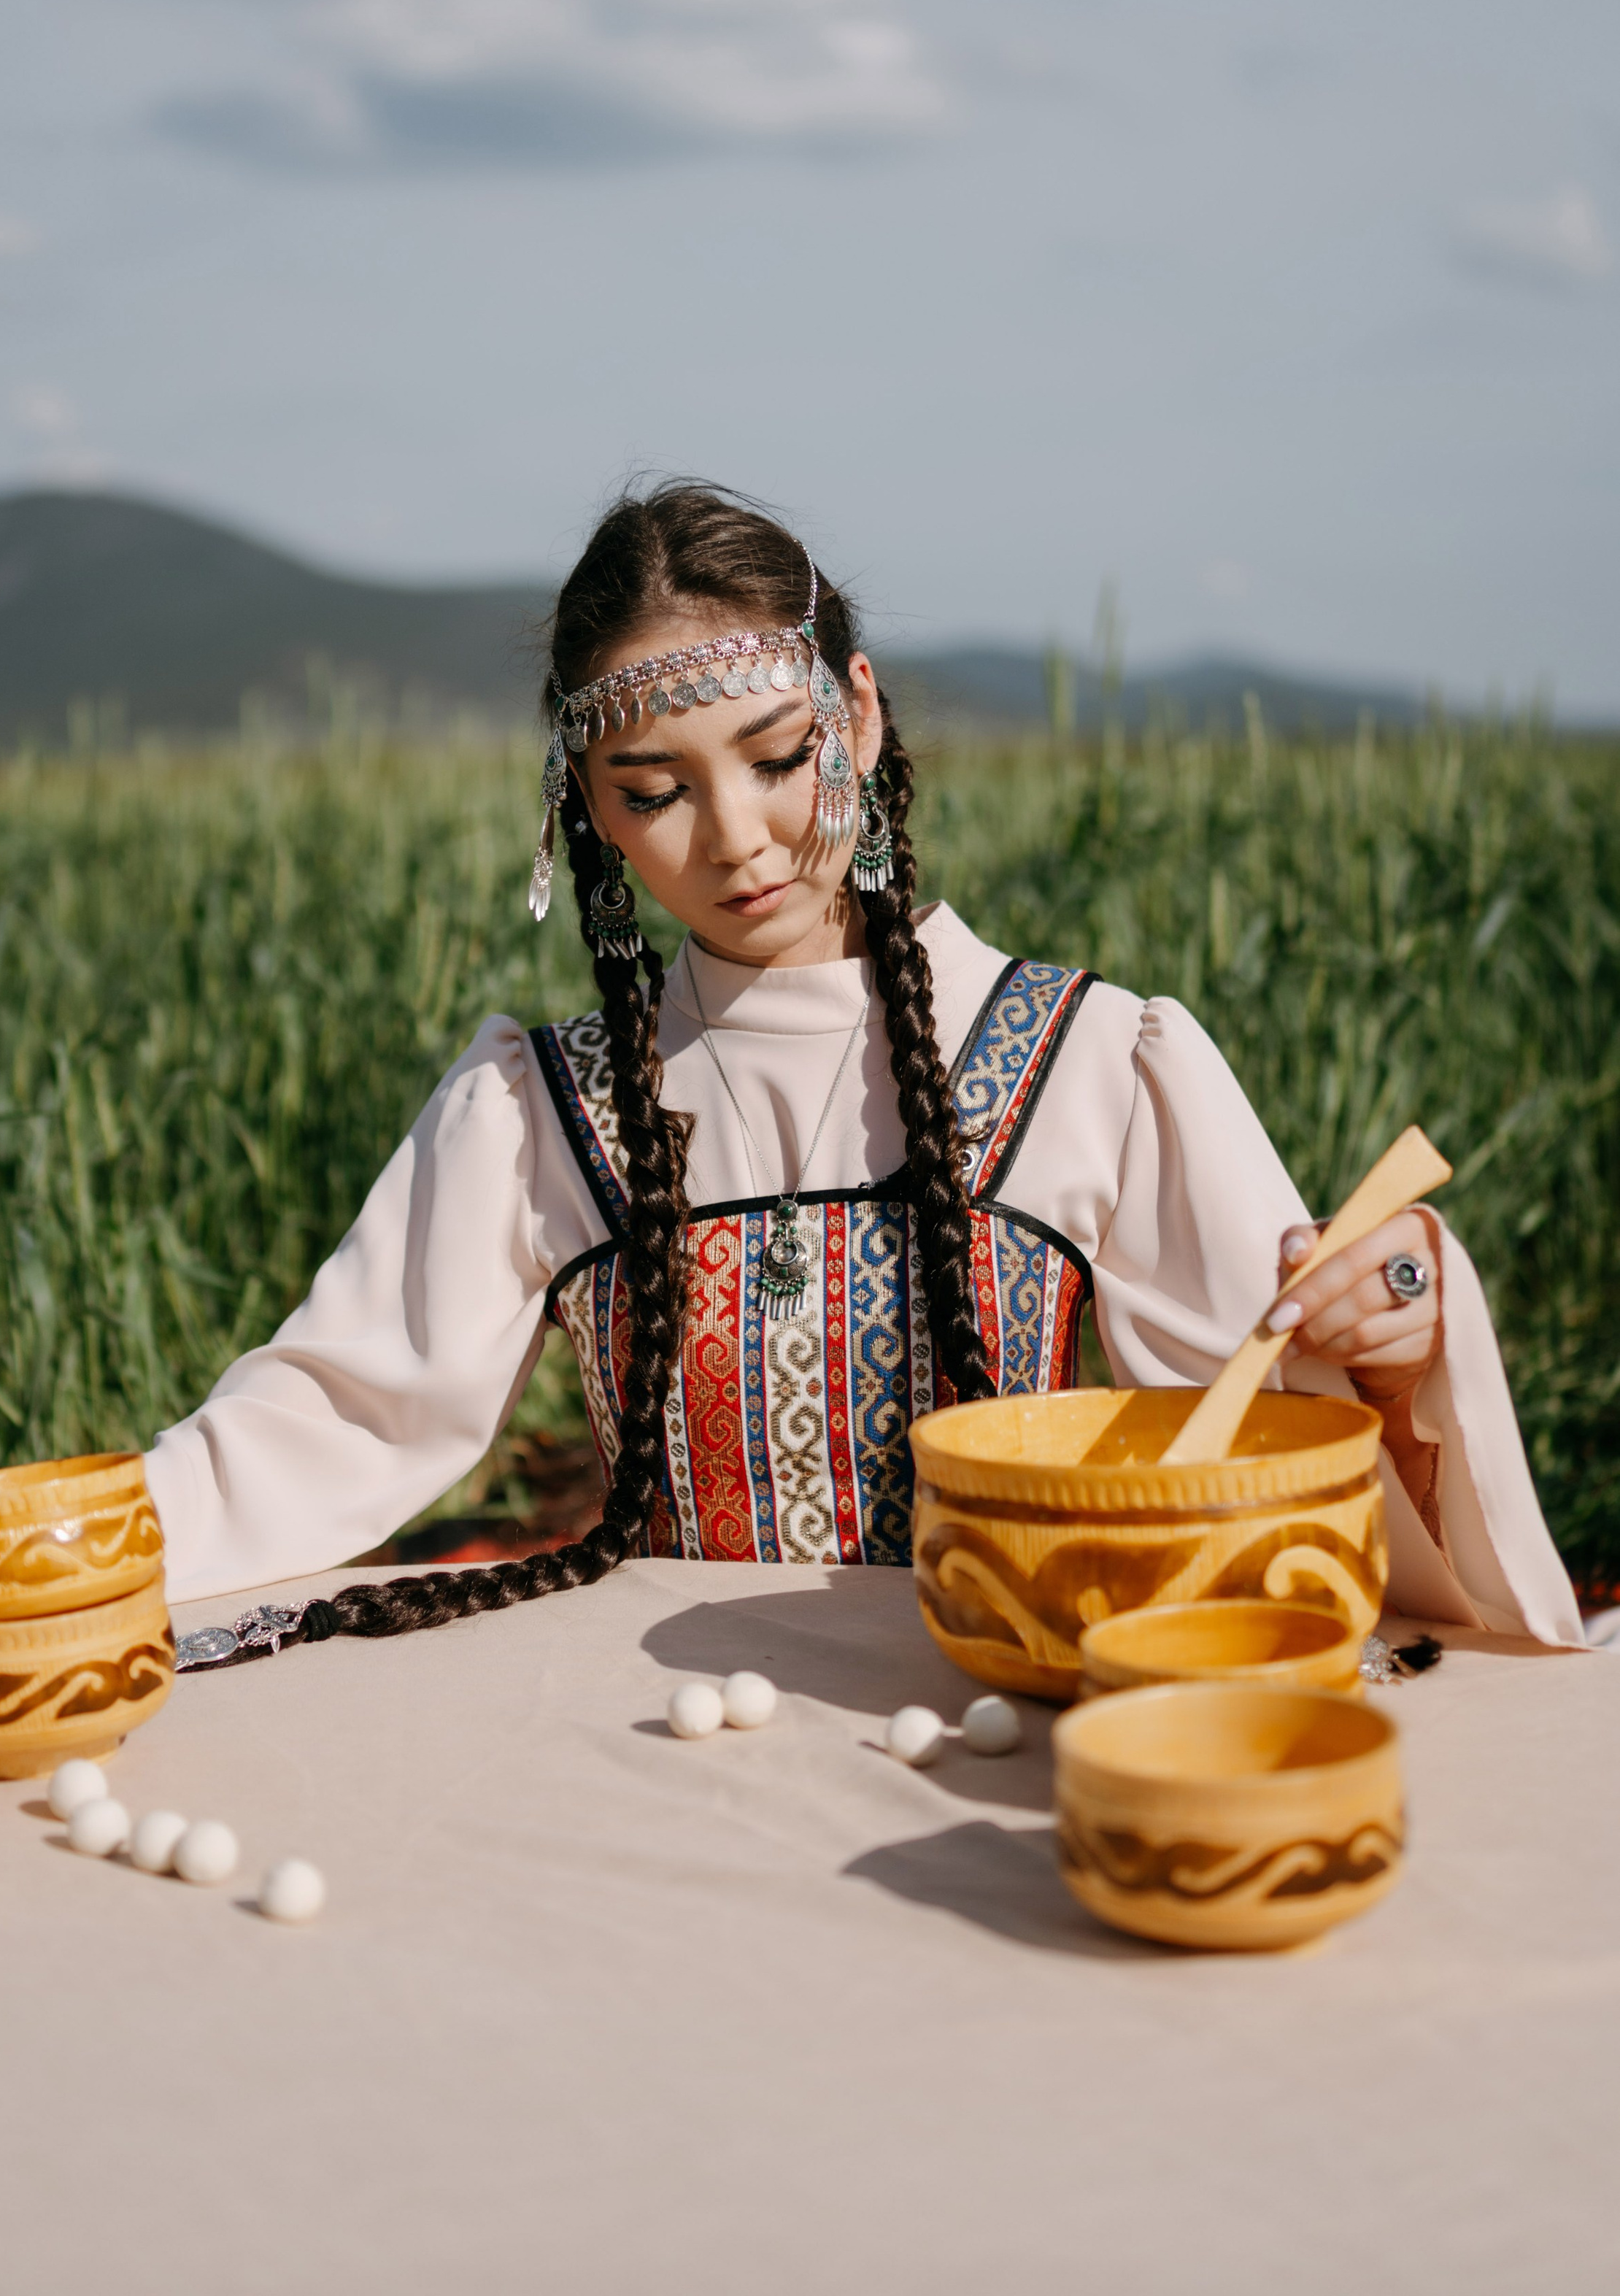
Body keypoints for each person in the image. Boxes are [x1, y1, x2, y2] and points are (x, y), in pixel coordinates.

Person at [144, 484, 1580, 1653]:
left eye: (776, 757)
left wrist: (1400, 1342)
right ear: (580, 810)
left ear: (862, 718)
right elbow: (327, 1421)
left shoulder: (1088, 1060)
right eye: (653, 793)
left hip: (988, 1733)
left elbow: (1262, 1447)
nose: (736, 838)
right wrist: (23, 1561)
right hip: (655, 1750)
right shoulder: (538, 1111)